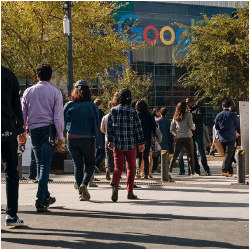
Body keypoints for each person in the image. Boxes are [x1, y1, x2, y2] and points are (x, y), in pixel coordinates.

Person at [22, 63, 64, 212]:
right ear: (51, 76)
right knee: (44, 165)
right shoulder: (55, 92)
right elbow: (58, 117)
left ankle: (45, 195)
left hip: (34, 130)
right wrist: (60, 136)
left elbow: (23, 113)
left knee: (41, 164)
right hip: (48, 131)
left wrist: (24, 129)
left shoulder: (28, 91)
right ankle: (41, 199)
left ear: (37, 76)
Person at [64, 80, 100, 201]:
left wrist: (61, 137)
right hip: (87, 139)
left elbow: (62, 122)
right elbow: (96, 123)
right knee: (90, 164)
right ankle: (84, 183)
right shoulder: (92, 106)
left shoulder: (69, 105)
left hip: (72, 139)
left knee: (77, 165)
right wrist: (98, 140)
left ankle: (81, 193)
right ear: (88, 92)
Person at [107, 89, 145, 202]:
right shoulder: (132, 111)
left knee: (118, 167)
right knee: (131, 168)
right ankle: (130, 192)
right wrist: (141, 142)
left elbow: (109, 128)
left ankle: (114, 184)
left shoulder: (113, 110)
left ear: (118, 98)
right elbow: (138, 128)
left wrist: (110, 141)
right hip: (131, 144)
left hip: (118, 145)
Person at [2, 66, 26, 226]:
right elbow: (16, 106)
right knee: (11, 170)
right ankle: (11, 214)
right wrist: (19, 129)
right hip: (5, 127)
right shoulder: (7, 75)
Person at [169, 101, 198, 178]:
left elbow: (172, 129)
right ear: (186, 107)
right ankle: (192, 173)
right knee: (191, 155)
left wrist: (175, 134)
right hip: (188, 137)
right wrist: (194, 127)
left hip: (179, 137)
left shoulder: (175, 116)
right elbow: (191, 125)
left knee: (175, 155)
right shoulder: (189, 115)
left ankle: (169, 171)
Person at [186, 98, 211, 176]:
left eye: (188, 103)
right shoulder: (187, 110)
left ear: (193, 102)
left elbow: (199, 118)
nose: (187, 105)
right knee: (192, 152)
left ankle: (206, 169)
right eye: (186, 103)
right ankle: (196, 170)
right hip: (190, 133)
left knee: (201, 151)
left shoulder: (199, 109)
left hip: (198, 132)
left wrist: (190, 114)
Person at [215, 100, 240, 177]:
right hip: (231, 137)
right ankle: (224, 170)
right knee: (229, 154)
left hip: (222, 137)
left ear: (222, 107)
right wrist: (238, 131)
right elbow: (237, 125)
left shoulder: (218, 115)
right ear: (230, 107)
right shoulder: (233, 115)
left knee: (228, 154)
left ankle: (230, 171)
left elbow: (216, 127)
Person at [135, 100, 156, 179]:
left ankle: (138, 170)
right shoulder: (149, 115)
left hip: (137, 138)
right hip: (147, 138)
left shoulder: (136, 115)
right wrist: (154, 136)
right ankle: (146, 174)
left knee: (138, 155)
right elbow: (153, 127)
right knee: (146, 156)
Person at [100, 101, 115, 180]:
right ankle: (116, 173)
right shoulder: (116, 116)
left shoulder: (105, 117)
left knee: (107, 156)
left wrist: (106, 132)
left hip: (107, 139)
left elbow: (101, 129)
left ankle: (107, 169)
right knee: (117, 156)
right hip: (116, 140)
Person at [94, 98, 105, 171]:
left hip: (93, 133)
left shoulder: (93, 112)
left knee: (97, 151)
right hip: (101, 133)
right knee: (102, 152)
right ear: (100, 104)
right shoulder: (101, 113)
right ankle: (94, 164)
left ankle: (94, 165)